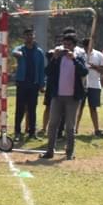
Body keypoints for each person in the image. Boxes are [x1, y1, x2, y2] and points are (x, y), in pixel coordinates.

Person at [39, 33, 87, 161]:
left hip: (73, 98)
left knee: (70, 126)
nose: (66, 47)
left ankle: (69, 153)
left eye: (69, 45)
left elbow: (84, 72)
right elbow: (47, 72)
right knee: (53, 123)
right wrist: (54, 58)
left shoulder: (78, 58)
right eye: (64, 44)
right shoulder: (57, 58)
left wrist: (74, 59)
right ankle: (49, 151)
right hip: (57, 96)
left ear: (74, 46)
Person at [12, 28, 45, 141]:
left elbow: (41, 70)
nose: (29, 37)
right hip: (22, 83)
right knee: (20, 109)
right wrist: (18, 54)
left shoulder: (39, 52)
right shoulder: (20, 49)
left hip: (34, 85)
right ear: (24, 37)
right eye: (27, 35)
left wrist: (42, 84)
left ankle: (32, 133)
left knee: (32, 109)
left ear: (34, 36)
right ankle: (17, 132)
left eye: (31, 35)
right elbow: (14, 52)